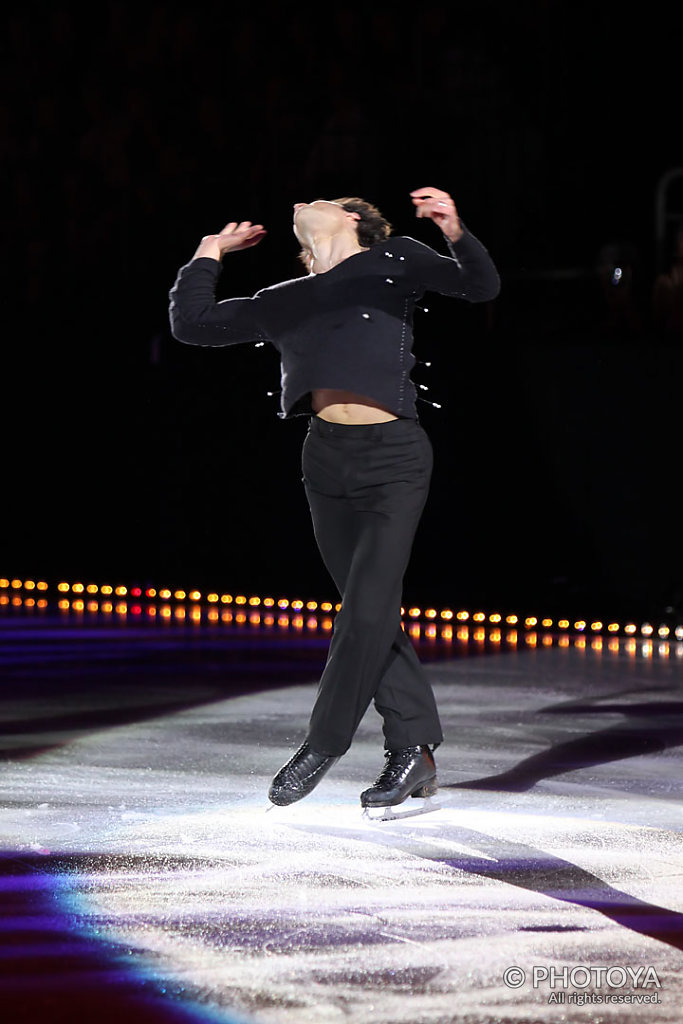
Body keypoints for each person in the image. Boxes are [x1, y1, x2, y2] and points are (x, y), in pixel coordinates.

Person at [169, 187, 500, 809]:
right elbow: (192, 325)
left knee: (366, 609)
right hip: (325, 462)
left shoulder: (395, 259)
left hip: (395, 457)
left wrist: (455, 230)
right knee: (368, 612)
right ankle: (414, 753)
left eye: (328, 197)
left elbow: (478, 287)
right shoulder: (286, 300)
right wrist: (208, 252)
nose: (309, 199)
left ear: (353, 220)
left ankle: (323, 743)